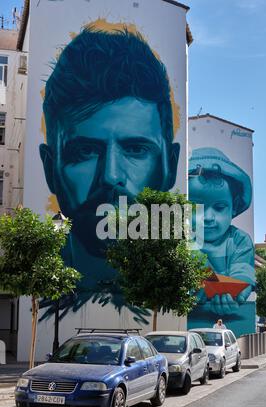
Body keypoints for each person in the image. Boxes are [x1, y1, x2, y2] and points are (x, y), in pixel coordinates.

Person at [40, 27, 180, 293]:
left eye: (136, 149)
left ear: (170, 166)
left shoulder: (188, 280)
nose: (110, 175)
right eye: (84, 151)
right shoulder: (40, 272)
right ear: (50, 168)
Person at [189, 147, 255, 316]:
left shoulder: (239, 240)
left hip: (228, 321)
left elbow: (242, 274)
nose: (209, 217)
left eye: (219, 207)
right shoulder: (183, 239)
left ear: (234, 207)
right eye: (197, 208)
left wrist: (233, 294)